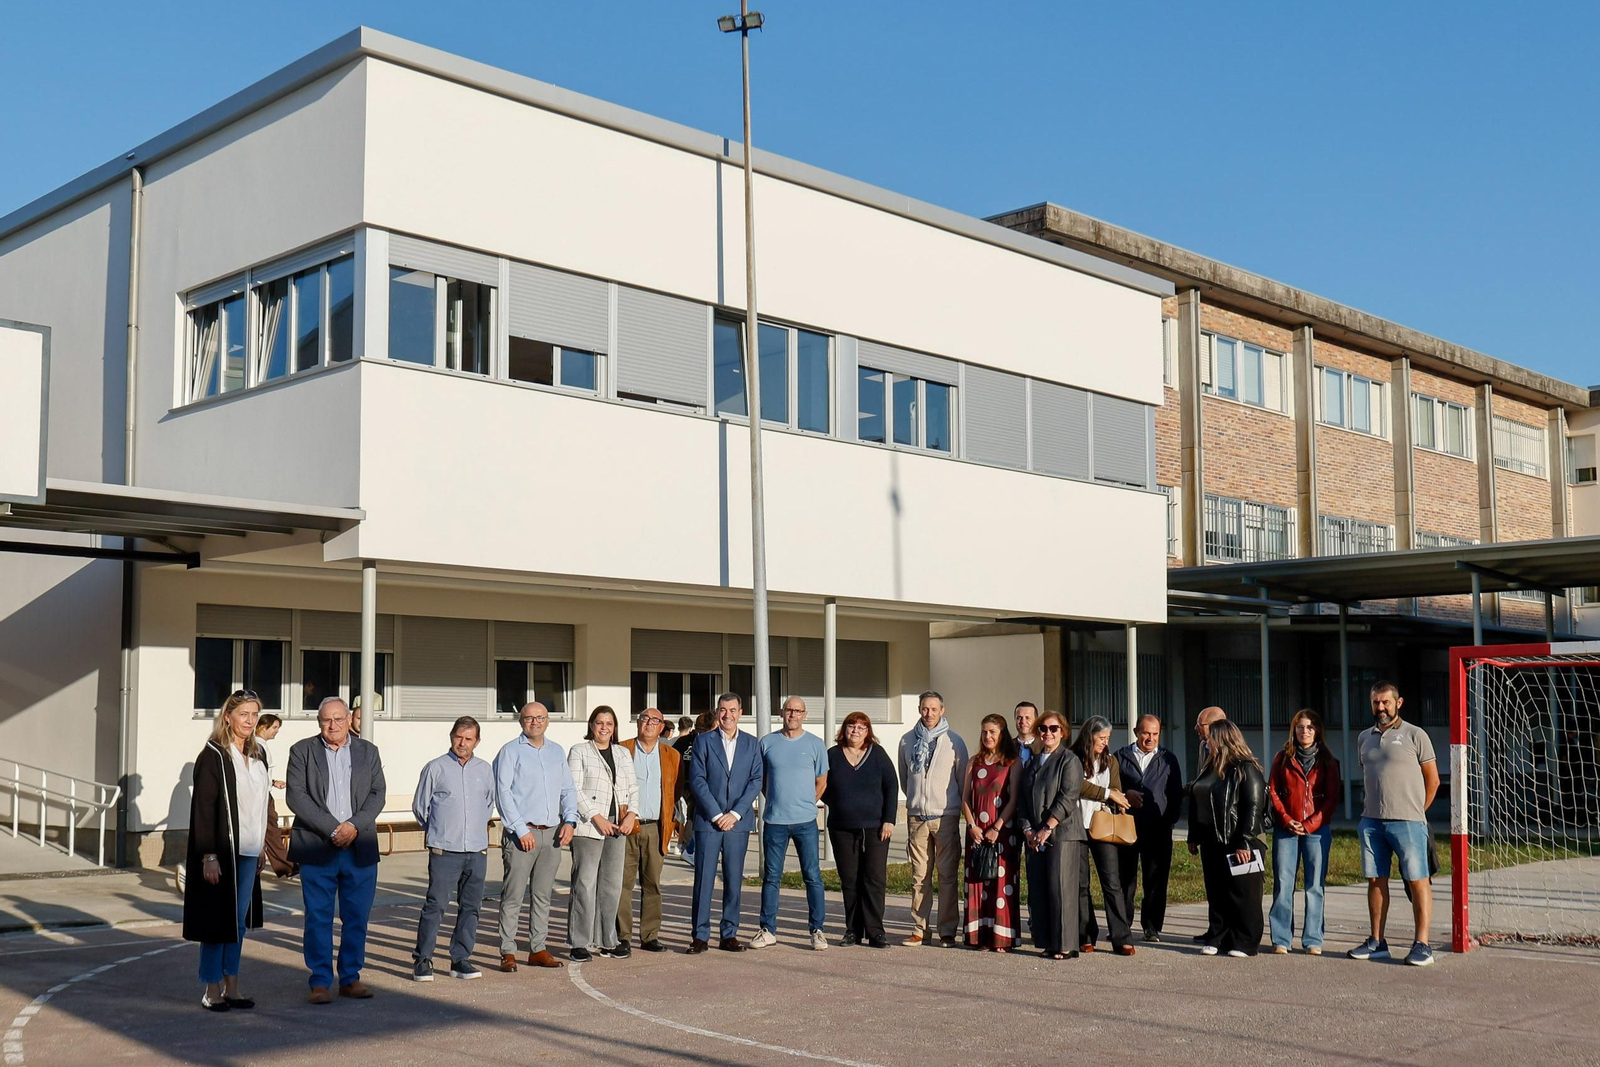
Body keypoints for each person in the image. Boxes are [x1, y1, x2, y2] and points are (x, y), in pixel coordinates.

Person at [285, 696, 386, 1003]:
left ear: (349, 720)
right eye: (327, 720)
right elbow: (296, 797)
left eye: (339, 719)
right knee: (318, 917)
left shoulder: (368, 751)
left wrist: (354, 825)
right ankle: (319, 980)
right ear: (319, 722)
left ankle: (350, 978)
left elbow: (377, 793)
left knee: (357, 917)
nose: (333, 725)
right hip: (318, 847)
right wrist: (332, 827)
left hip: (360, 846)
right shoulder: (302, 751)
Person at [184, 690, 269, 1012]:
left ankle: (233, 986)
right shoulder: (214, 755)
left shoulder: (258, 755)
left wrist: (262, 846)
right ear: (228, 716)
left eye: (254, 714)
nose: (249, 721)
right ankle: (211, 988)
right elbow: (204, 809)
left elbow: (261, 805)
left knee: (237, 923)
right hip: (222, 850)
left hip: (249, 851)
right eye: (243, 714)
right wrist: (209, 855)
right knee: (215, 921)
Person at [1349, 681, 1440, 967]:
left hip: (1409, 823)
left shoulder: (1416, 735)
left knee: (1417, 881)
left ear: (1398, 703)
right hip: (1372, 822)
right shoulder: (1364, 737)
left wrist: (1417, 812)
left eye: (1386, 702)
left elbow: (1433, 780)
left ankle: (1422, 944)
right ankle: (1377, 942)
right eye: (1376, 702)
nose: (1381, 708)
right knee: (1376, 880)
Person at [493, 702, 579, 972]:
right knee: (513, 895)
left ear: (548, 720)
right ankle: (507, 950)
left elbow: (567, 789)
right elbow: (502, 792)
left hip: (552, 834)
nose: (535, 722)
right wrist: (519, 828)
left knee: (542, 895)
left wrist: (570, 820)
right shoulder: (510, 752)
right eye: (529, 718)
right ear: (521, 721)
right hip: (522, 835)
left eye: (540, 717)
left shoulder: (556, 752)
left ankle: (538, 948)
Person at [411, 716, 496, 982]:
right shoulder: (435, 768)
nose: (463, 743)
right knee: (435, 905)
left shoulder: (485, 769)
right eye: (459, 737)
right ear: (451, 737)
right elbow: (420, 807)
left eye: (469, 738)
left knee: (471, 907)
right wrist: (440, 832)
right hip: (444, 851)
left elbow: (488, 803)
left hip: (477, 850)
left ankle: (461, 960)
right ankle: (423, 960)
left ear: (477, 741)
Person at [749, 697, 830, 951]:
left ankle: (817, 930)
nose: (792, 714)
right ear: (781, 713)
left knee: (812, 877)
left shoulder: (816, 744)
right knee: (771, 877)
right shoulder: (767, 743)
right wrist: (776, 800)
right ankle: (768, 930)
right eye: (788, 710)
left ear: (805, 715)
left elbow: (821, 782)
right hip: (774, 821)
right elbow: (761, 780)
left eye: (797, 711)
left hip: (806, 822)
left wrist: (805, 803)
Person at [687, 693, 764, 953]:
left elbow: (756, 781)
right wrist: (718, 814)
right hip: (710, 822)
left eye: (732, 710)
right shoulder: (703, 742)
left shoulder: (753, 744)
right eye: (722, 710)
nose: (727, 715)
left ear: (741, 712)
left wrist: (736, 814)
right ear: (717, 712)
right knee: (704, 879)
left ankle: (729, 934)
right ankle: (700, 936)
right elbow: (697, 780)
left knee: (733, 880)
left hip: (738, 824)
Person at [1188, 719, 1267, 957]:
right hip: (1212, 839)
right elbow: (1197, 797)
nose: (1206, 741)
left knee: (1244, 893)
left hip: (1239, 839)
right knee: (1217, 891)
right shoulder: (1209, 767)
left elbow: (1253, 806)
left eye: (1210, 738)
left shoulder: (1246, 768)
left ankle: (1245, 941)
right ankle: (1219, 936)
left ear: (1222, 739)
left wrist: (1244, 841)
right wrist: (1194, 835)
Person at [1268, 709, 1342, 956]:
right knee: (1283, 883)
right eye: (1300, 726)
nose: (1305, 731)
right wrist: (1287, 819)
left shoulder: (1329, 761)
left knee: (1315, 885)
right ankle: (1281, 938)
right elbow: (1274, 792)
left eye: (1310, 727)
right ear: (1293, 729)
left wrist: (1310, 824)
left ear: (1318, 730)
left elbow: (1332, 799)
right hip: (1285, 829)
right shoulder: (1282, 757)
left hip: (1317, 830)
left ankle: (1313, 939)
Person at [567, 706, 639, 962]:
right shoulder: (580, 751)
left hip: (618, 826)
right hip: (589, 826)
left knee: (611, 885)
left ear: (615, 727)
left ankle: (608, 939)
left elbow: (632, 787)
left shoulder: (622, 753)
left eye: (609, 723)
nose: (604, 727)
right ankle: (579, 942)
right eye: (599, 723)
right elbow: (573, 789)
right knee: (585, 884)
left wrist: (631, 814)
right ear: (591, 725)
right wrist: (595, 816)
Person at [897, 691, 968, 947]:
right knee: (919, 876)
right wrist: (917, 802)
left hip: (945, 817)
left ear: (942, 710)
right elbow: (905, 778)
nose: (929, 713)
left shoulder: (954, 741)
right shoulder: (906, 741)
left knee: (947, 875)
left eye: (934, 709)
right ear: (919, 709)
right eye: (925, 709)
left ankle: (947, 931)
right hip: (917, 818)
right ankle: (919, 929)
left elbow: (962, 780)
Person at [821, 712, 898, 948]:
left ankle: (875, 931)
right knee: (850, 880)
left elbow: (892, 786)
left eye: (861, 727)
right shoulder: (832, 755)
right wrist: (839, 803)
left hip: (875, 829)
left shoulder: (878, 755)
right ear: (844, 729)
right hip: (842, 828)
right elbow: (821, 785)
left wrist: (889, 819)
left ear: (868, 731)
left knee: (874, 879)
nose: (855, 731)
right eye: (851, 726)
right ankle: (853, 930)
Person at [1020, 710, 1085, 960]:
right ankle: (1048, 941)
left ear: (1063, 732)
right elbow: (1024, 800)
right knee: (1040, 888)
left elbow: (1067, 796)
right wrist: (1028, 828)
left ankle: (1066, 944)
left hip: (1062, 834)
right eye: (1043, 729)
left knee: (1062, 889)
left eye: (1053, 728)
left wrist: (1047, 827)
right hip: (1035, 835)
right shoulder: (1032, 762)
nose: (1048, 733)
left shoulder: (1069, 760)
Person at [1115, 714, 1184, 943]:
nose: (1150, 738)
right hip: (1127, 827)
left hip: (1158, 830)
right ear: (1136, 732)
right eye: (1146, 733)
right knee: (1125, 879)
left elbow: (1175, 794)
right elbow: (1110, 787)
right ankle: (1122, 924)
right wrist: (1125, 795)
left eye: (1155, 734)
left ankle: (1152, 927)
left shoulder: (1168, 759)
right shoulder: (1120, 757)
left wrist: (1169, 821)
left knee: (1155, 880)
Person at [1070, 715, 1135, 955]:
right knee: (1081, 884)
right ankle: (1085, 935)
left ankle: (1122, 936)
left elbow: (1116, 789)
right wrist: (1107, 793)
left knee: (1112, 882)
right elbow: (1077, 785)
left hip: (1103, 826)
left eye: (1108, 738)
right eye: (1101, 738)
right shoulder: (1073, 757)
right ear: (1089, 736)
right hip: (1077, 825)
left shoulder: (1111, 760)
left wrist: (1116, 795)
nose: (1105, 743)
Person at [618, 707, 680, 953]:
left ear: (662, 726)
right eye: (645, 719)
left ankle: (650, 935)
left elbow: (677, 790)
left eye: (655, 720)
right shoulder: (622, 749)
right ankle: (622, 936)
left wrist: (675, 824)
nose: (649, 724)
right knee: (622, 884)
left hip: (656, 827)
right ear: (637, 723)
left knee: (652, 883)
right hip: (625, 827)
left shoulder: (671, 755)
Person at [960, 713, 1021, 951]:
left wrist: (997, 827)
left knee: (1000, 884)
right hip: (976, 832)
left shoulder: (1011, 762)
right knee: (978, 883)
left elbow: (1014, 799)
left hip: (1002, 832)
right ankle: (980, 937)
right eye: (984, 731)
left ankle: (1001, 938)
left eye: (992, 732)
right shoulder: (973, 762)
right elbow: (965, 797)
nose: (987, 736)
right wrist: (971, 825)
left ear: (1002, 734)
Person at [1191, 705, 1227, 944]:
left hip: (1225, 829)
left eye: (1200, 724)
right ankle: (1215, 928)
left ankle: (1227, 931)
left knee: (1226, 884)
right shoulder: (1203, 748)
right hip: (1205, 828)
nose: (1196, 729)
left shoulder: (1231, 753)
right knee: (1211, 883)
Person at [253, 713, 295, 878]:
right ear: (264, 726)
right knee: (271, 831)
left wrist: (273, 782)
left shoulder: (260, 745)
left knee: (271, 831)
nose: (276, 731)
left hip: (265, 793)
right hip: (262, 796)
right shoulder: (257, 745)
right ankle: (286, 866)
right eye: (275, 727)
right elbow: (256, 774)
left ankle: (286, 866)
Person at [674, 711, 715, 859]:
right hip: (693, 784)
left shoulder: (684, 741)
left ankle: (689, 848)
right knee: (696, 815)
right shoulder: (704, 741)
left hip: (691, 784)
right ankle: (689, 849)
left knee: (693, 815)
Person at [1014, 702, 1040, 767]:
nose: (1023, 721)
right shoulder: (1007, 747)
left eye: (1027, 718)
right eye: (1019, 718)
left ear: (1036, 721)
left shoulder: (1044, 747)